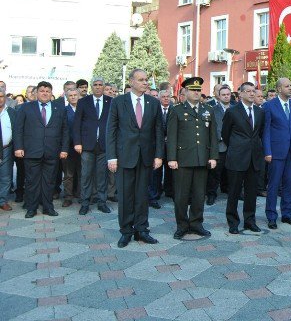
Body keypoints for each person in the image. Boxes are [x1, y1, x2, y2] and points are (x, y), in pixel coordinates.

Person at [106, 69, 163, 248]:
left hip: (146, 157)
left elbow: (159, 132)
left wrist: (158, 155)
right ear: (131, 82)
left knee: (141, 195)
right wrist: (111, 157)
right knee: (125, 196)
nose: (145, 83)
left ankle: (142, 230)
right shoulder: (118, 102)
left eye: (146, 79)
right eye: (141, 80)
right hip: (124, 157)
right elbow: (111, 130)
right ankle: (126, 231)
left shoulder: (153, 103)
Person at [167, 77, 217, 240]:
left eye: (199, 90)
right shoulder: (176, 110)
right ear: (185, 92)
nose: (196, 93)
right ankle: (182, 226)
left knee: (198, 194)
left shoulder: (208, 110)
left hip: (202, 158)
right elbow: (172, 136)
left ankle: (196, 223)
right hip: (182, 159)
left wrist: (213, 156)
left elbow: (213, 136)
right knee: (181, 195)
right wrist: (172, 158)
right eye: (193, 90)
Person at [13, 81, 69, 218]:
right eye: (42, 91)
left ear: (51, 93)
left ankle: (48, 207)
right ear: (36, 93)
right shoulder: (26, 108)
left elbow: (65, 130)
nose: (45, 93)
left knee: (49, 182)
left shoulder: (59, 108)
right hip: (31, 151)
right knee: (32, 182)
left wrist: (64, 149)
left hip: (52, 151)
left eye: (47, 91)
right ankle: (31, 208)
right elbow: (18, 129)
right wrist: (18, 147)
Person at [222, 82, 265, 234]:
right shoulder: (232, 112)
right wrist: (237, 146)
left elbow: (260, 133)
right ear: (240, 94)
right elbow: (225, 135)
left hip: (254, 158)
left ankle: (249, 221)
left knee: (251, 192)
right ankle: (233, 222)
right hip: (237, 157)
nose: (252, 94)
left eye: (253, 91)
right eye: (248, 91)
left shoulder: (260, 112)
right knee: (234, 192)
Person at [262, 78, 291, 229]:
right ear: (279, 89)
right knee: (274, 185)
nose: (290, 88)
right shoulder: (269, 106)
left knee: (289, 184)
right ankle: (271, 216)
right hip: (276, 152)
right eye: (287, 86)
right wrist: (267, 151)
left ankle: (286, 214)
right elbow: (266, 130)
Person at [73, 78, 112, 215]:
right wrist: (77, 142)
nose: (97, 87)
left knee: (102, 176)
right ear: (91, 87)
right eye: (95, 85)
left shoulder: (110, 102)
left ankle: (102, 202)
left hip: (104, 145)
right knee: (86, 175)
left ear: (104, 87)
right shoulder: (83, 102)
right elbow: (77, 123)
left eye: (100, 85)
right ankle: (85, 203)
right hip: (87, 145)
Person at [207, 85, 232, 205]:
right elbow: (212, 128)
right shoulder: (213, 110)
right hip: (219, 145)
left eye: (228, 94)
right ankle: (211, 194)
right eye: (224, 94)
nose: (226, 96)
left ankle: (228, 190)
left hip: (233, 146)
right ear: (219, 96)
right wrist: (221, 137)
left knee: (231, 171)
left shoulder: (235, 109)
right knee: (215, 173)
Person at [62, 89, 81, 207]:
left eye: (75, 95)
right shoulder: (63, 111)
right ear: (67, 97)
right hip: (68, 147)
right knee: (68, 175)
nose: (73, 97)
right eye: (70, 96)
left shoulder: (84, 109)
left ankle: (80, 195)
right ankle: (68, 197)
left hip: (82, 147)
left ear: (79, 96)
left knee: (82, 173)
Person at [0, 89, 17, 211]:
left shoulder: (11, 112)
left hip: (7, 149)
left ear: (5, 97)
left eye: (1, 96)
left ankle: (2, 200)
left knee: (6, 176)